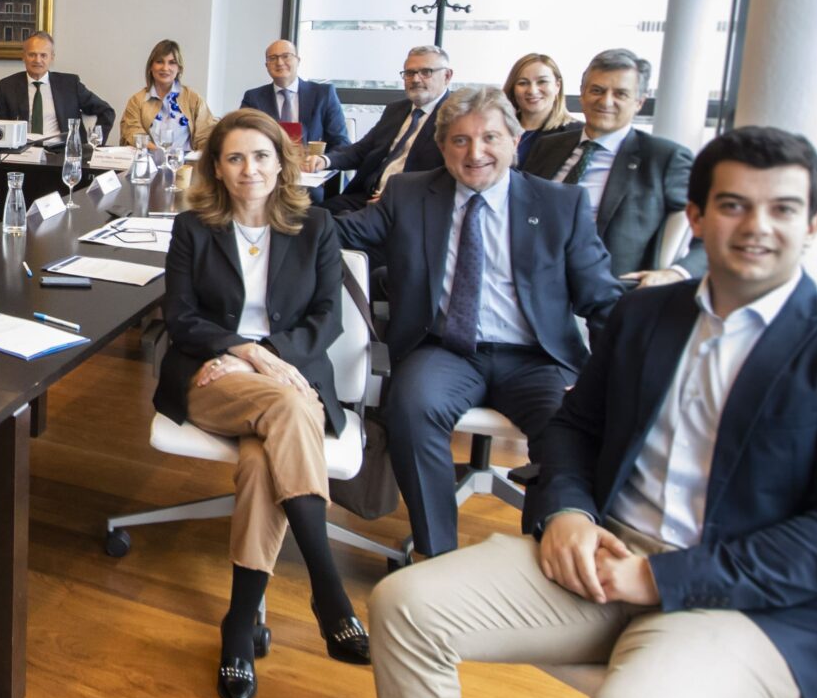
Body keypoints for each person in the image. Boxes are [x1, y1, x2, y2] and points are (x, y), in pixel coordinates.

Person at [297, 128, 817, 698]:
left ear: (816, 223)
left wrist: (661, 578)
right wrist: (565, 508)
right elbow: (574, 428)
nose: (757, 226)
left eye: (783, 209)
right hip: (602, 552)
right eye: (733, 205)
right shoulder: (648, 317)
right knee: (404, 604)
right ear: (696, 216)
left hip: (754, 605)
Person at [331, 86, 626, 560]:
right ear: (442, 146)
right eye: (460, 140)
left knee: (567, 427)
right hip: (444, 350)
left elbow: (604, 300)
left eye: (490, 137)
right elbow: (340, 232)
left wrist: (604, 379)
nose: (475, 153)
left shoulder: (559, 204)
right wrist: (259, 209)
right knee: (411, 407)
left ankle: (548, 553)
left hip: (536, 358)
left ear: (514, 141)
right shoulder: (409, 193)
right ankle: (437, 557)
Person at [157, 109, 369, 698]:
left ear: (282, 163)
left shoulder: (317, 225)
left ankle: (239, 623)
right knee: (286, 408)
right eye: (235, 158)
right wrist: (245, 353)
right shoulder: (192, 228)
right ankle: (328, 590)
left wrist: (269, 358)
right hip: (211, 375)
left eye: (261, 156)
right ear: (217, 169)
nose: (249, 169)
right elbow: (181, 318)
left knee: (259, 462)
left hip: (288, 376)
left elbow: (326, 317)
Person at [521, 49, 702, 286]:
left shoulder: (664, 158)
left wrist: (677, 273)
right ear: (582, 94)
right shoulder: (548, 145)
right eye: (597, 90)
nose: (606, 101)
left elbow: (711, 229)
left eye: (620, 94)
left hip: (607, 290)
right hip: (529, 278)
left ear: (639, 102)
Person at [320, 44, 456, 209]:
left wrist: (396, 197)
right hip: (366, 197)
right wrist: (325, 160)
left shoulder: (455, 117)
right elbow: (362, 150)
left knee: (323, 222)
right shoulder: (396, 110)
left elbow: (447, 177)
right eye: (410, 73)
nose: (415, 79)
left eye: (426, 72)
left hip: (409, 206)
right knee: (311, 215)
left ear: (447, 76)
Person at [0, 31, 115, 143]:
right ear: (23, 56)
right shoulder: (7, 86)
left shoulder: (70, 84)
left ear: (52, 57)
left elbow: (106, 111)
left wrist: (95, 141)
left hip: (62, 151)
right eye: (32, 54)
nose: (37, 60)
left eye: (43, 55)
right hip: (23, 151)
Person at [240, 39, 351, 152]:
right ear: (266, 66)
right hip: (269, 162)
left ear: (298, 60)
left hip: (312, 162)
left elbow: (341, 143)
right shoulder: (253, 98)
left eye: (286, 56)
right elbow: (242, 139)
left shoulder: (323, 94)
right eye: (273, 58)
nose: (279, 62)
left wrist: (322, 160)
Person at [114, 37, 212, 150]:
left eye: (172, 62)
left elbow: (206, 136)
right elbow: (132, 132)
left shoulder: (194, 99)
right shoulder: (136, 100)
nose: (165, 68)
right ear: (151, 67)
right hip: (148, 158)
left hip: (186, 161)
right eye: (159, 62)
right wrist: (157, 153)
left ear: (179, 68)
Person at [504, 52, 577, 162]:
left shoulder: (577, 133)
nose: (532, 91)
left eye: (542, 81)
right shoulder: (500, 130)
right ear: (513, 88)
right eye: (523, 83)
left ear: (557, 86)